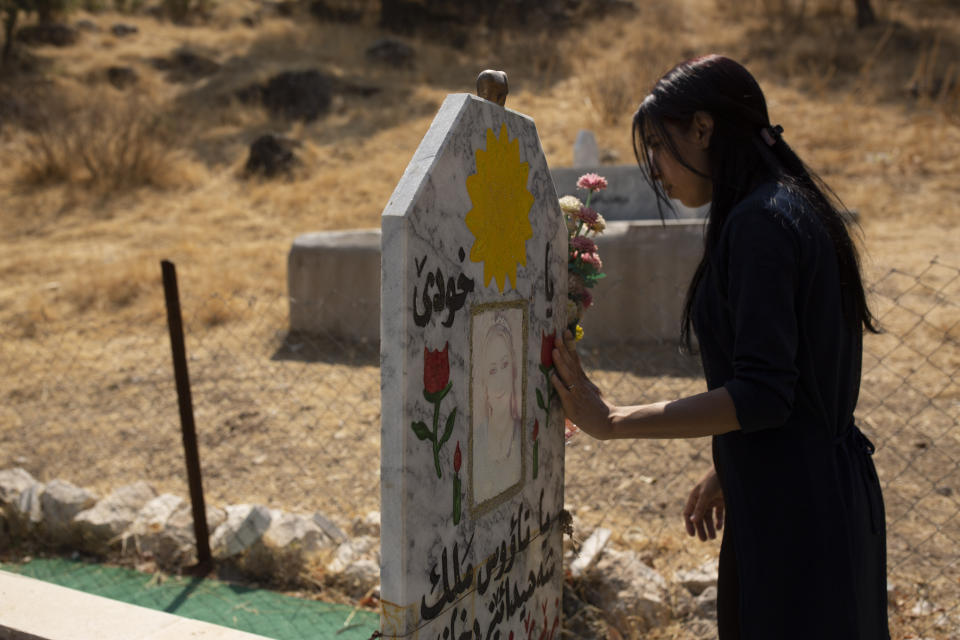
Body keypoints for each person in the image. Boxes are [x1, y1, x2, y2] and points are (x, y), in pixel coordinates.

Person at [549, 54, 889, 640]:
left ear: (703, 130)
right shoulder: (788, 207)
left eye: (659, 144)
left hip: (796, 520)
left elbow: (762, 394)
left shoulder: (761, 224)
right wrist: (730, 468)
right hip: (815, 497)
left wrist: (612, 419)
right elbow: (801, 381)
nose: (655, 168)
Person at [473, 313, 522, 503]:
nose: (500, 380)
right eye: (492, 371)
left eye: (505, 365)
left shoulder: (525, 434)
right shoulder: (476, 442)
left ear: (514, 369)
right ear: (484, 382)